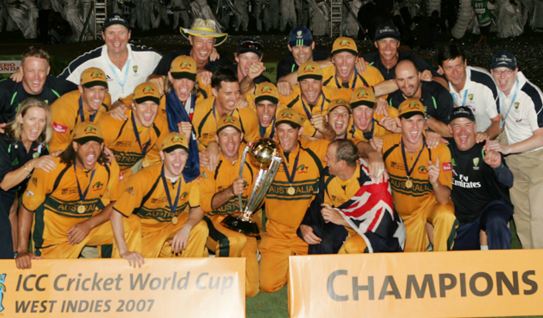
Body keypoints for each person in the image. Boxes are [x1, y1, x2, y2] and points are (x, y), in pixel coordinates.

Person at [15, 122, 121, 269]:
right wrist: (21, 250)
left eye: (96, 144)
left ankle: (118, 279)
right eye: (85, 143)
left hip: (88, 227)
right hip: (56, 239)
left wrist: (88, 225)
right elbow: (27, 207)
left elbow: (116, 203)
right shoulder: (51, 167)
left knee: (130, 225)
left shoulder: (109, 166)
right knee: (50, 282)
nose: (92, 149)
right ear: (75, 146)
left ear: (102, 146)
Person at [110, 132, 208, 267]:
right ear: (162, 156)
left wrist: (186, 228)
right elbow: (116, 213)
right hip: (146, 232)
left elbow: (197, 209)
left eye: (182, 153)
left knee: (200, 228)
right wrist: (124, 251)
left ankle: (188, 277)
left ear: (187, 156)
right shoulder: (144, 178)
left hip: (170, 227)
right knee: (140, 268)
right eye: (172, 154)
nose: (178, 160)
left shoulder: (190, 178)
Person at [372, 98, 457, 252]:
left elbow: (444, 199)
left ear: (425, 123)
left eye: (419, 121)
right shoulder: (386, 144)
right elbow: (361, 147)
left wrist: (435, 182)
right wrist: (374, 155)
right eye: (409, 121)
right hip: (404, 216)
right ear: (399, 122)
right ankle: (426, 243)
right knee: (409, 266)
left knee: (446, 214)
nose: (414, 127)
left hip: (428, 206)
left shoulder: (439, 149)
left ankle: (443, 259)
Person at [260, 107, 328, 292]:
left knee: (311, 286)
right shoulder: (266, 156)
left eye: (291, 130)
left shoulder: (315, 150)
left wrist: (373, 155)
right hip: (277, 235)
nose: (285, 136)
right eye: (281, 130)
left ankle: (293, 263)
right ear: (275, 132)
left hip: (304, 233)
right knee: (268, 285)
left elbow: (340, 145)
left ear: (300, 132)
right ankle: (285, 260)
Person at [298, 139, 405, 254]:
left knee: (352, 247)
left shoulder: (373, 179)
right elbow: (317, 204)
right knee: (320, 241)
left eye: (329, 157)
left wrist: (344, 220)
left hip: (380, 234)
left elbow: (383, 225)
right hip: (345, 228)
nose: (325, 159)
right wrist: (304, 226)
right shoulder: (327, 176)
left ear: (342, 164)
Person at [486, 50, 543, 248]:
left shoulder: (531, 95)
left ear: (516, 71)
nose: (502, 77)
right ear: (491, 72)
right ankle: (530, 261)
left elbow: (541, 136)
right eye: (497, 71)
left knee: (539, 219)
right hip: (515, 163)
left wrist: (507, 148)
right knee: (521, 216)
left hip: (538, 162)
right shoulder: (496, 89)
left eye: (506, 71)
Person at [198, 115, 259, 297]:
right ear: (217, 139)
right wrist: (230, 192)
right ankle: (219, 290)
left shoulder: (252, 159)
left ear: (241, 137)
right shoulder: (209, 161)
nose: (230, 140)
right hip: (215, 220)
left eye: (234, 135)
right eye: (225, 135)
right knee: (232, 241)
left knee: (251, 289)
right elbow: (207, 206)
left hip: (242, 222)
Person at [448, 106, 513, 250]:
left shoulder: (487, 148)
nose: (462, 131)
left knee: (495, 221)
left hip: (492, 207)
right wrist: (429, 135)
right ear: (450, 129)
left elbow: (508, 181)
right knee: (463, 264)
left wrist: (498, 167)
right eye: (457, 126)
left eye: (467, 125)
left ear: (475, 127)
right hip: (465, 217)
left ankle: (502, 266)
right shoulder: (445, 148)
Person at [58, 14, 162, 101]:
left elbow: (173, 67)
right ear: (103, 35)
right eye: (111, 33)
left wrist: (156, 76)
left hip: (140, 119)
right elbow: (57, 87)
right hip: (104, 120)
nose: (116, 39)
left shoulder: (148, 56)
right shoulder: (89, 61)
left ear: (129, 35)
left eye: (121, 33)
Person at [0, 99, 53, 259]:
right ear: (21, 119)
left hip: (8, 206)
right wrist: (31, 164)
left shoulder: (40, 147)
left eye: (41, 120)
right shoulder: (4, 142)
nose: (36, 126)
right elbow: (5, 184)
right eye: (32, 119)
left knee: (9, 258)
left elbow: (14, 199)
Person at [98, 81, 167, 177]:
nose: (149, 110)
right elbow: (85, 151)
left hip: (130, 171)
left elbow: (166, 155)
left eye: (153, 104)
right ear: (133, 105)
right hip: (102, 170)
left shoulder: (160, 125)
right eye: (143, 104)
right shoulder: (113, 122)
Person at [437, 43, 500, 141]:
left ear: (465, 63)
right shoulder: (440, 86)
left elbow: (499, 121)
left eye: (458, 66)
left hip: (487, 135)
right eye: (449, 68)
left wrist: (485, 135)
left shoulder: (484, 82)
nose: (455, 73)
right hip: (459, 139)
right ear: (441, 69)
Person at [0, 47, 76, 125]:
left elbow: (84, 91)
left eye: (41, 71)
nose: (36, 77)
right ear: (22, 70)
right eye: (31, 71)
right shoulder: (6, 90)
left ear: (48, 70)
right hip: (11, 135)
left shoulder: (59, 86)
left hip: (47, 135)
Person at [192, 68, 258, 149]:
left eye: (237, 92)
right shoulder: (198, 112)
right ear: (215, 92)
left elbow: (255, 145)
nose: (234, 98)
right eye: (228, 93)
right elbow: (190, 143)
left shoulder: (247, 116)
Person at [49, 67, 110, 152]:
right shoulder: (63, 112)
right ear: (81, 89)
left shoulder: (106, 99)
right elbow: (55, 150)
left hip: (84, 142)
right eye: (91, 89)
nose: (97, 96)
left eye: (101, 89)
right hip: (55, 150)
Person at [388, 59, 454, 137]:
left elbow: (451, 133)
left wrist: (424, 117)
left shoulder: (438, 94)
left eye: (410, 78)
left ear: (419, 76)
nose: (406, 85)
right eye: (401, 80)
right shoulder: (393, 100)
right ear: (395, 80)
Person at [278, 61, 343, 140]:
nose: (310, 88)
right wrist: (281, 81)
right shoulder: (288, 95)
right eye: (305, 82)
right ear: (298, 84)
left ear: (322, 82)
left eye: (315, 82)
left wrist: (325, 129)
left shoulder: (334, 96)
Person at [363, 22, 442, 82]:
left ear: (398, 44)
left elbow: (442, 81)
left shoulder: (411, 58)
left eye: (392, 41)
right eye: (383, 42)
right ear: (376, 44)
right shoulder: (367, 60)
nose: (388, 47)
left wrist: (429, 78)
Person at [153, 18, 228, 77]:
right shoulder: (172, 58)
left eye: (209, 42)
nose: (204, 48)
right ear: (191, 40)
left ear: (214, 43)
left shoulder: (220, 64)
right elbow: (153, 80)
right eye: (199, 41)